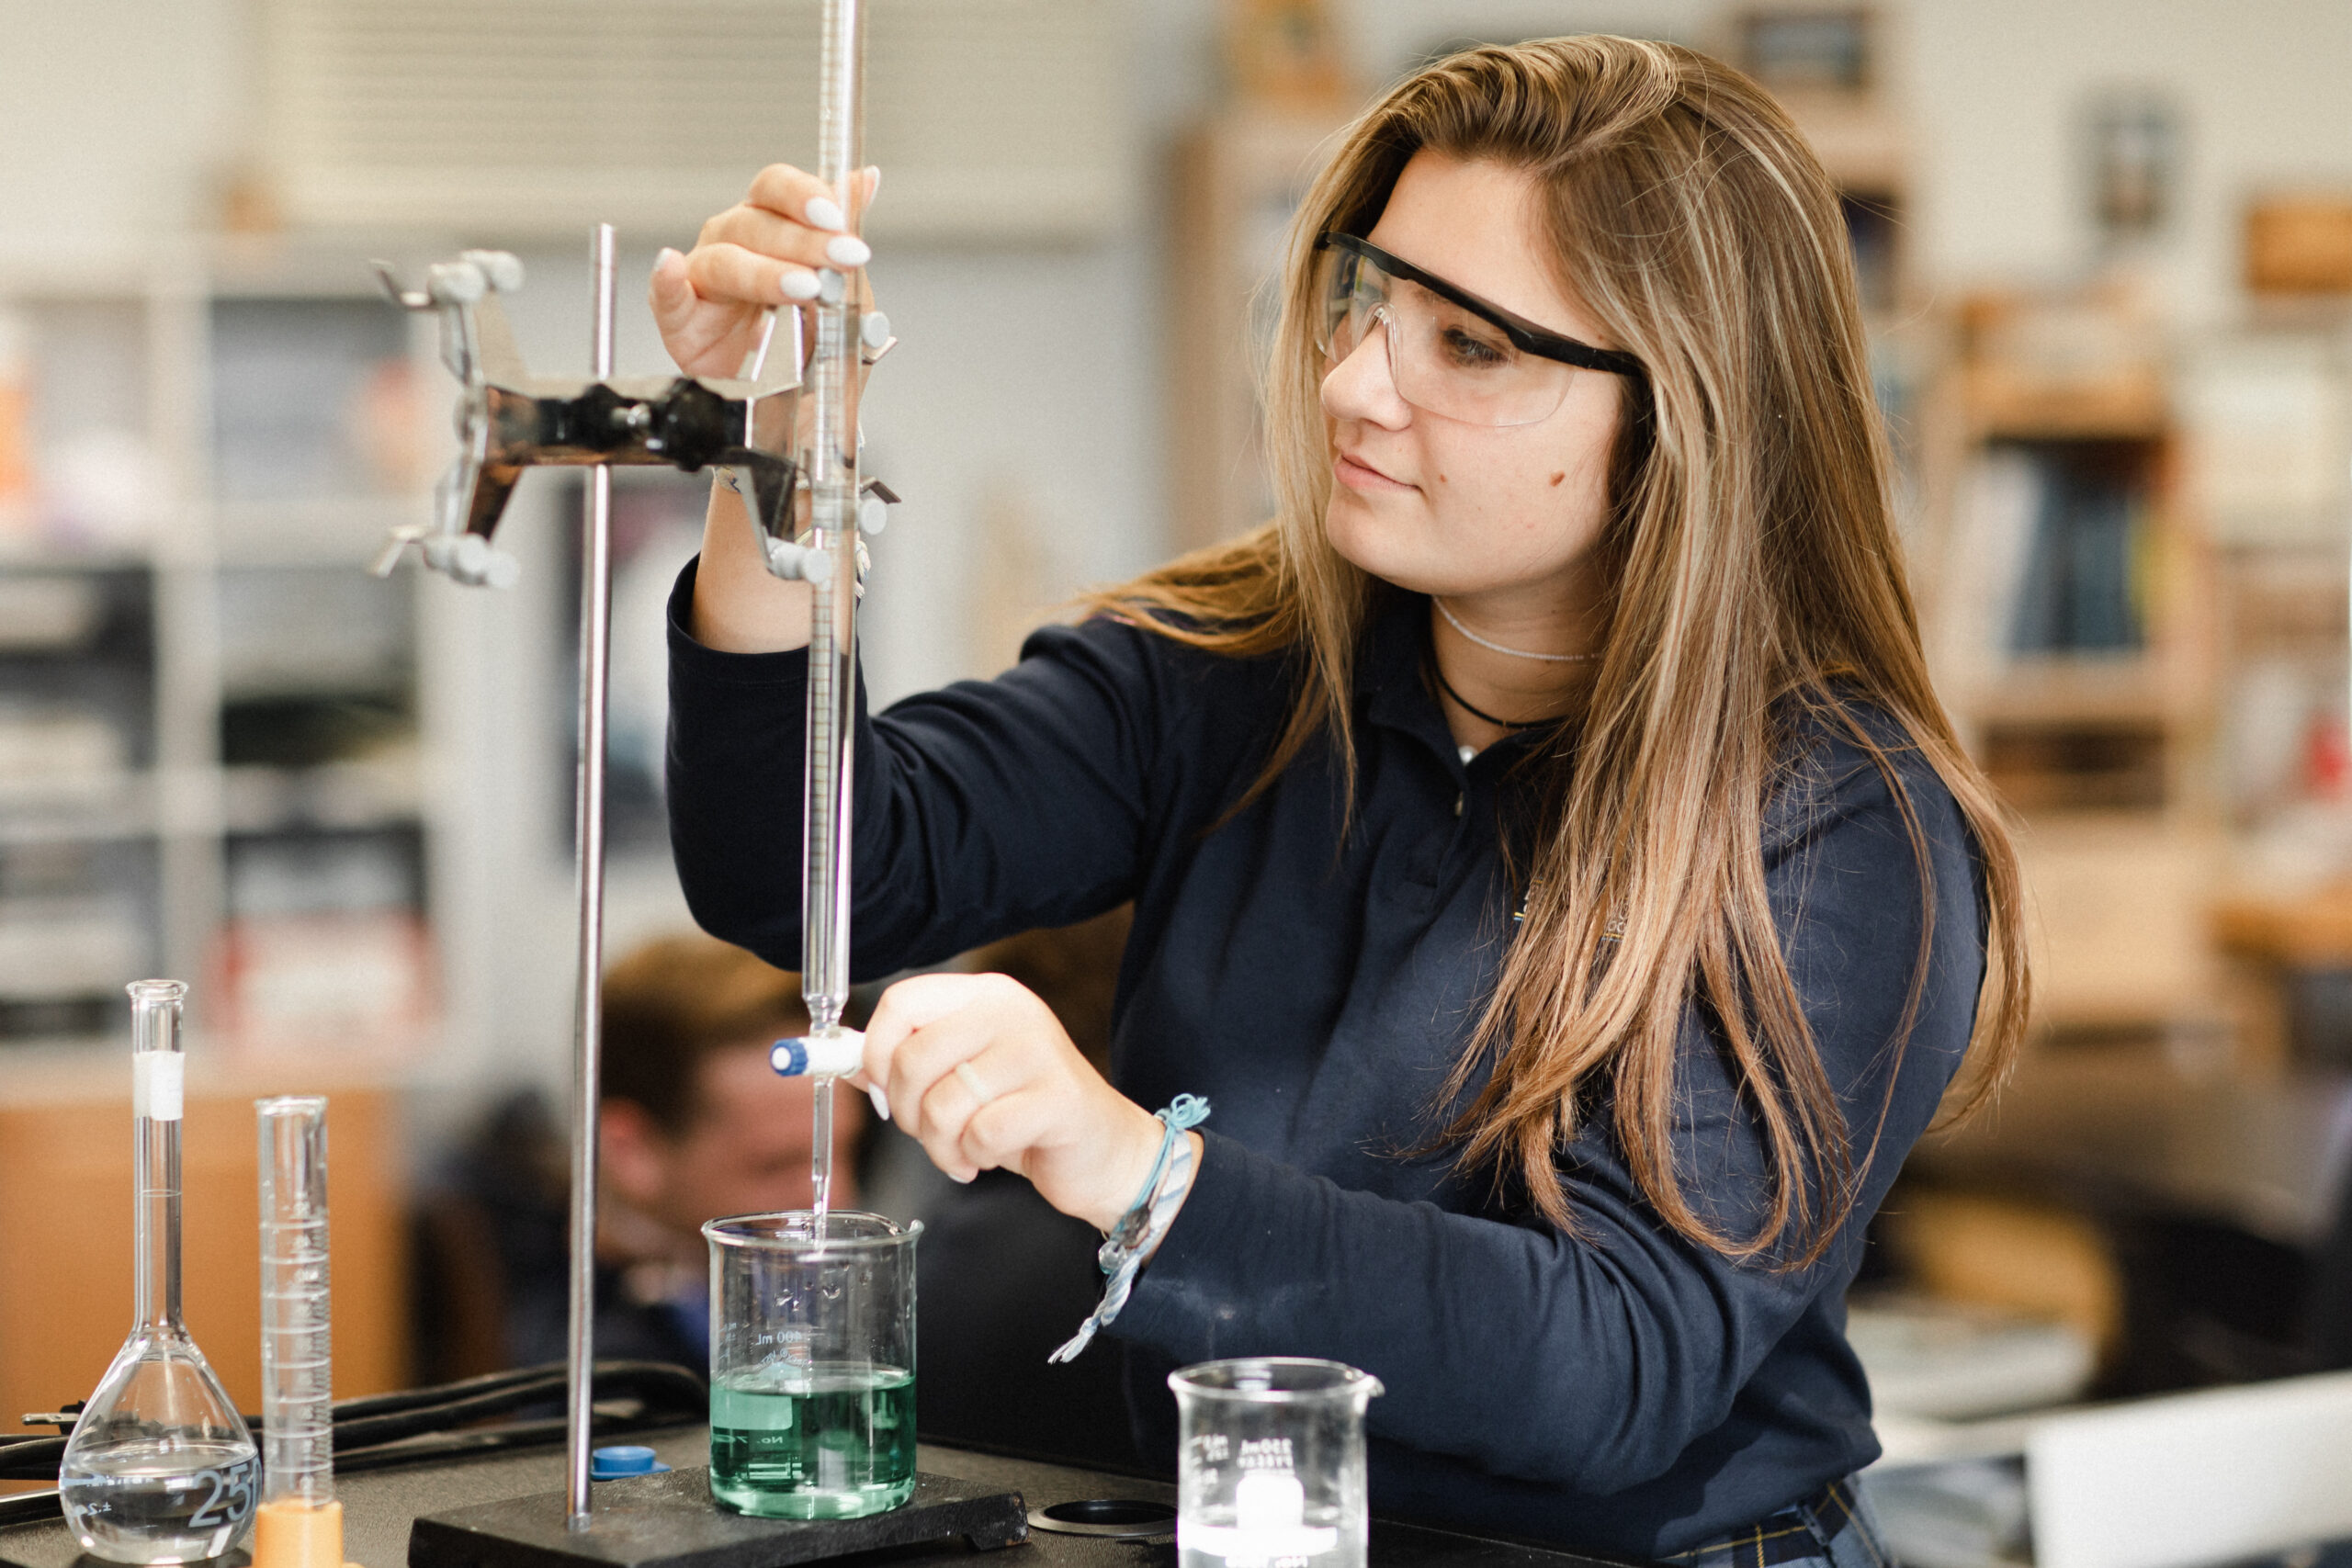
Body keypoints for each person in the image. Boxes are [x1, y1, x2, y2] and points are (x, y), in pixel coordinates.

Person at [647, 35, 2029, 1565]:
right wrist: (773, 454)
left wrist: (1130, 1164)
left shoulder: (1837, 818)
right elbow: (810, 874)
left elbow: (1611, 1365)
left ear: (1682, 413)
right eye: (1370, 301)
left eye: (1472, 346)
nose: (1355, 385)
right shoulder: (1233, 668)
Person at [414, 934, 860, 1376]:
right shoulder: (589, 1363)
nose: (835, 1195)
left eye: (849, 1149)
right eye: (776, 1165)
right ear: (632, 1152)